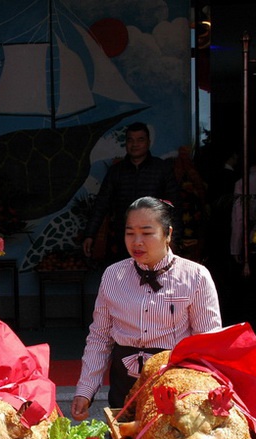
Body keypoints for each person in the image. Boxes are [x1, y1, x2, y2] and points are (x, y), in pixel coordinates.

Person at [70, 196, 222, 420]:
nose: (137, 242)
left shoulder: (196, 277)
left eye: (147, 233)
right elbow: (99, 338)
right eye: (130, 233)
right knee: (123, 438)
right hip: (123, 386)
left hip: (175, 386)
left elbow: (207, 344)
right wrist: (85, 390)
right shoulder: (113, 275)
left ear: (168, 234)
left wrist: (208, 393)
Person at [82, 122, 181, 262]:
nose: (135, 144)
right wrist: (90, 235)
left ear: (148, 142)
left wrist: (174, 239)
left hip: (154, 237)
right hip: (123, 239)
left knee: (154, 273)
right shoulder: (116, 171)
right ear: (126, 143)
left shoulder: (162, 169)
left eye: (140, 140)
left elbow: (174, 207)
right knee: (125, 273)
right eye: (130, 140)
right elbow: (101, 204)